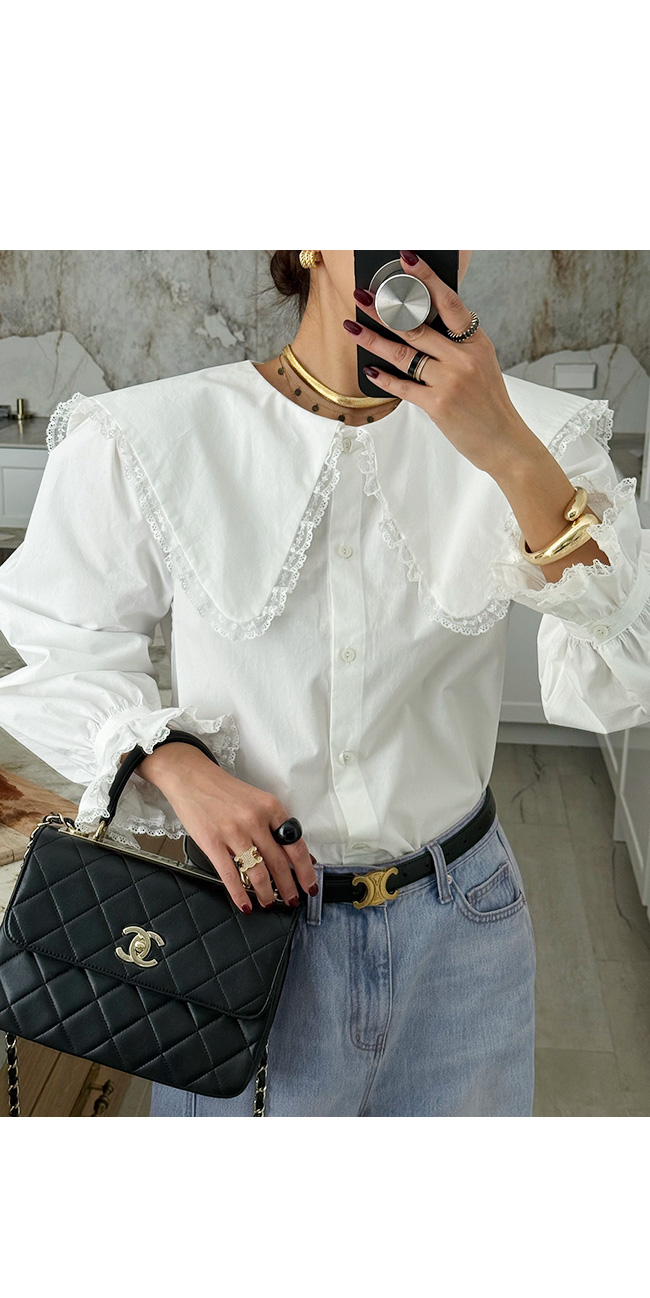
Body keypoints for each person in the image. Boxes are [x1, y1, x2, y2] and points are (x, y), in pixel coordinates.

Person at [0, 250, 648, 1117]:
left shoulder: (540, 436)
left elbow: (623, 670)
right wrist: (173, 761)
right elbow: (58, 642)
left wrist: (508, 452)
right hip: (236, 928)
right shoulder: (156, 434)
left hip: (463, 935)